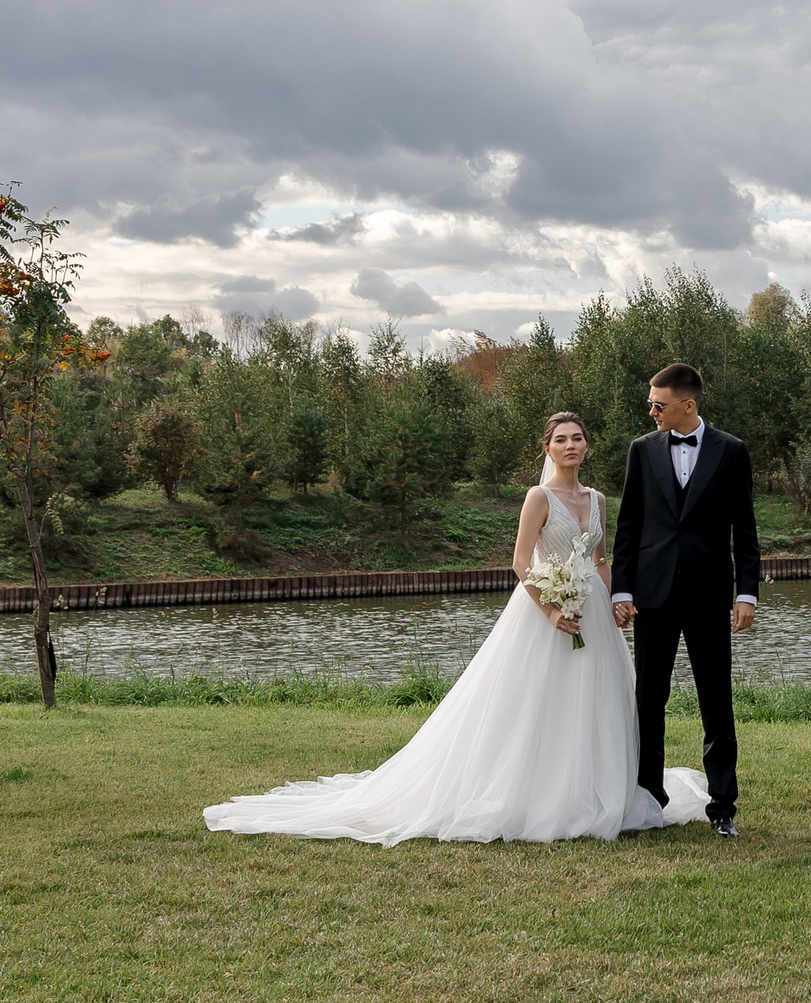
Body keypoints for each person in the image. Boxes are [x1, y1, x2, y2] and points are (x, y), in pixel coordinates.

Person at [201, 413, 708, 845]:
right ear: (547, 448)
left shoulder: (597, 499)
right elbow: (520, 561)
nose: (570, 446)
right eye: (561, 439)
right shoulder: (539, 497)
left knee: (598, 699)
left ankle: (600, 790)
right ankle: (540, 794)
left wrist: (618, 599)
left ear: (587, 446)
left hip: (593, 613)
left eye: (577, 438)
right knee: (537, 702)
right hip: (544, 608)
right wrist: (551, 610)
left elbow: (599, 558)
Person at [611, 361, 761, 838]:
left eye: (658, 404)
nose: (651, 411)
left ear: (687, 404)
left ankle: (723, 808)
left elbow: (746, 529)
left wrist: (747, 594)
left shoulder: (732, 451)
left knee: (716, 700)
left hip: (709, 594)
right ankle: (647, 800)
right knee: (647, 699)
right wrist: (622, 587)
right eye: (650, 403)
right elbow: (629, 525)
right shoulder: (641, 450)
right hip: (652, 596)